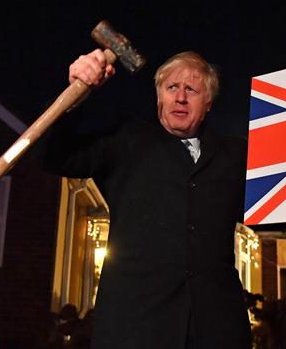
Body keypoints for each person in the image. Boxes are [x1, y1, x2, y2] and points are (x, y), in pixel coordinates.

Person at [39, 49, 251, 349]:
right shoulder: (127, 141)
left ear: (208, 104)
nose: (180, 97)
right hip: (134, 329)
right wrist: (75, 95)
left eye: (191, 89)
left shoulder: (236, 155)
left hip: (217, 331)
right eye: (171, 88)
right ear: (158, 98)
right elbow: (54, 156)